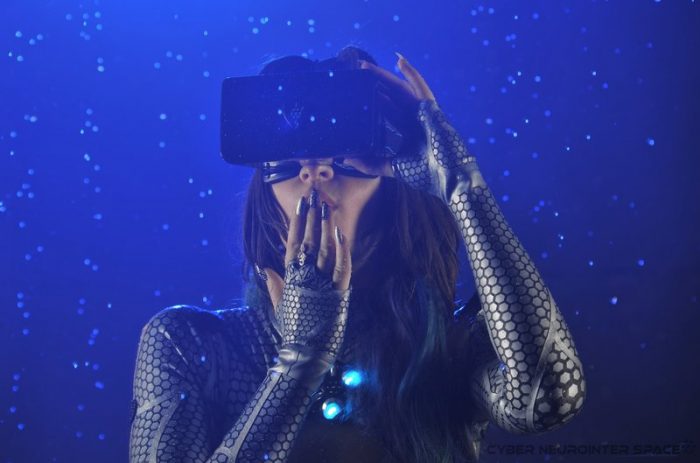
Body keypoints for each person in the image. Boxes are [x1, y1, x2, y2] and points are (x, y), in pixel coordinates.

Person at [128, 46, 586, 462]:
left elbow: (548, 399)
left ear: (393, 175)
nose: (316, 169)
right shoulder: (188, 343)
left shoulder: (448, 347)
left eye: (347, 152)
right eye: (287, 157)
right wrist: (299, 359)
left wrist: (459, 184)